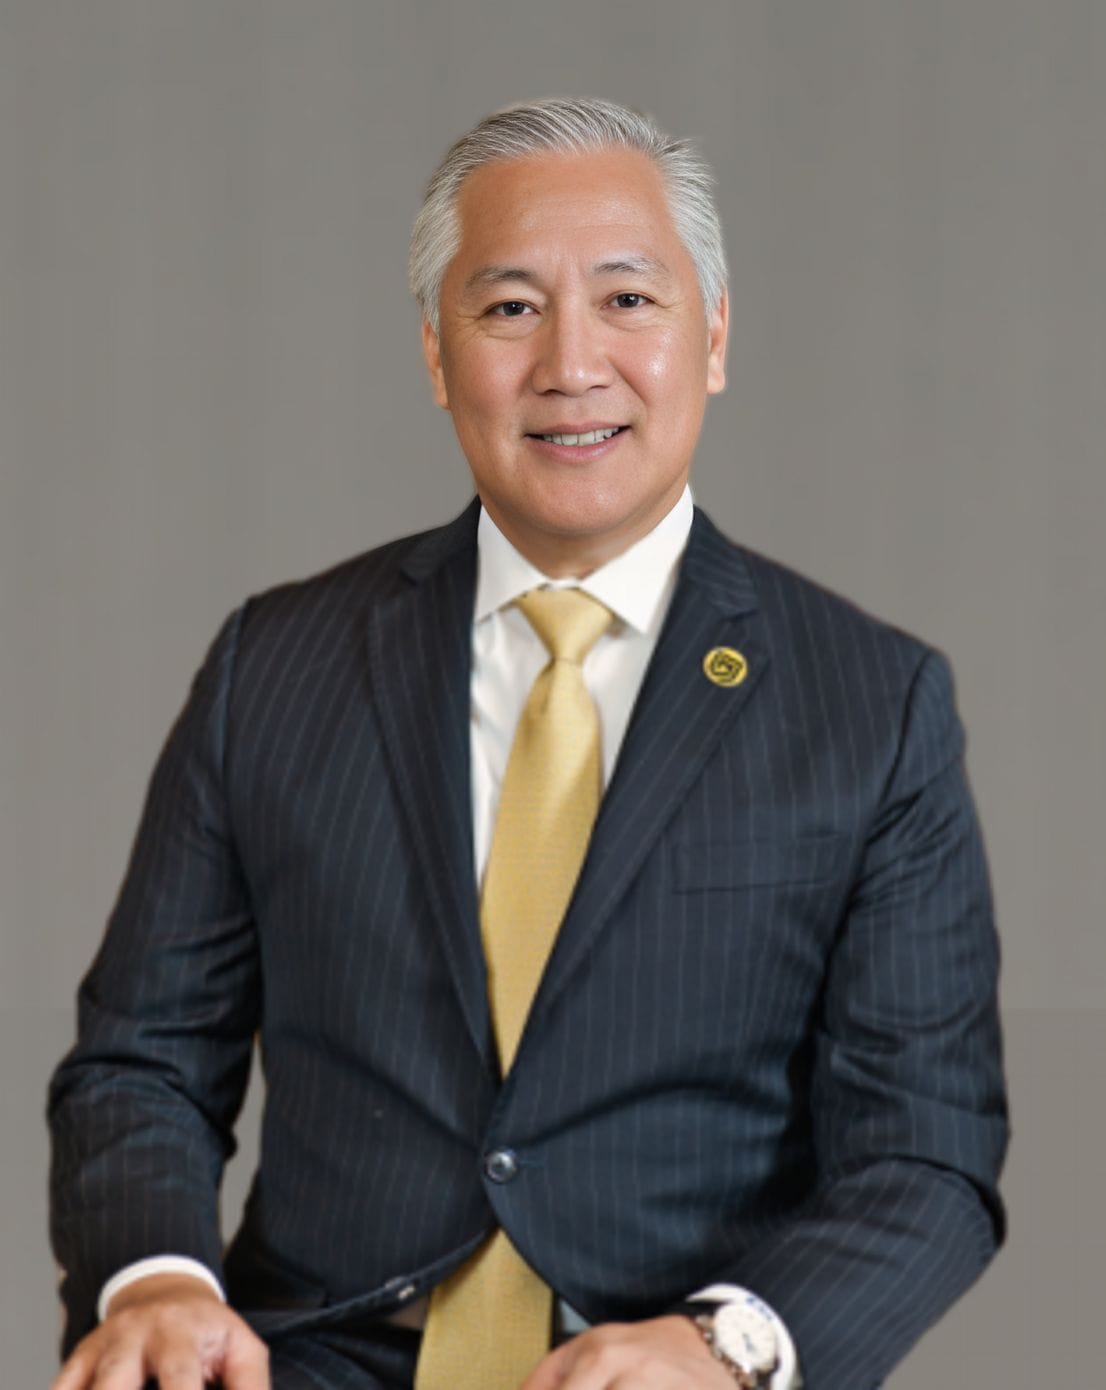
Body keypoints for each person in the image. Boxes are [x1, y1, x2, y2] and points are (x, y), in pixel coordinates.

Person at [47, 97, 1008, 1390]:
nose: (570, 363)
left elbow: (926, 1154)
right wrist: (159, 1282)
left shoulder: (870, 705)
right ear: (437, 354)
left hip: (660, 1364)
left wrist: (722, 1348)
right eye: (509, 307)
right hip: (314, 1359)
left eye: (628, 300)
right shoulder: (274, 664)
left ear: (715, 334)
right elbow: (142, 1060)